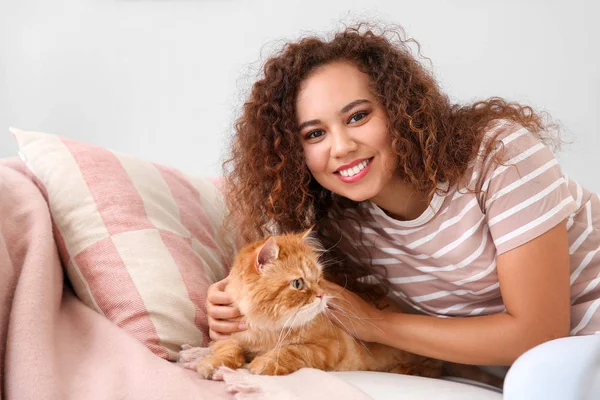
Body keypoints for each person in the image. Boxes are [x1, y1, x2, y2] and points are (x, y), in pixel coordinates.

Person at [206, 23, 600, 372]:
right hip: (513, 373)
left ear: (400, 109)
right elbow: (290, 288)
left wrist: (375, 324)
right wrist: (235, 300)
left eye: (358, 116)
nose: (341, 147)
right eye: (314, 134)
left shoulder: (501, 156)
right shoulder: (340, 222)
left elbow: (541, 335)